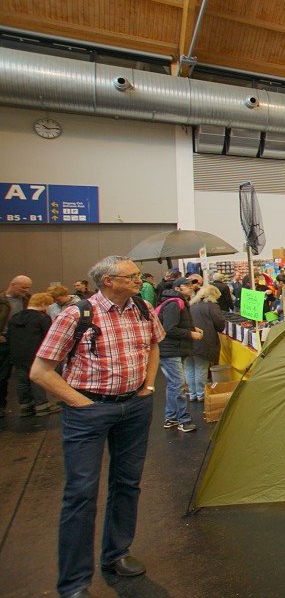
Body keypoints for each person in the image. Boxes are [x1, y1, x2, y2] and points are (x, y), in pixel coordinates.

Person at [30, 255, 163, 598]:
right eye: (131, 276)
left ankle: (116, 553)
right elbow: (41, 371)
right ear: (108, 281)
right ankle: (74, 582)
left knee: (127, 484)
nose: (139, 280)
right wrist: (81, 404)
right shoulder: (76, 315)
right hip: (88, 411)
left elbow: (152, 347)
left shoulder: (143, 309)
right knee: (80, 494)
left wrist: (147, 386)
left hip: (134, 407)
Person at [157, 277, 202, 432]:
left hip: (172, 349)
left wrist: (193, 328)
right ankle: (183, 420)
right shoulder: (175, 303)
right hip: (171, 350)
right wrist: (190, 334)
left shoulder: (178, 302)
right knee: (178, 385)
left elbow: (175, 324)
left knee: (173, 385)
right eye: (187, 285)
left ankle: (171, 418)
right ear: (177, 288)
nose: (191, 288)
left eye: (192, 285)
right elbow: (169, 329)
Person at [7, 292, 60, 416]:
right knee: (37, 378)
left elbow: (9, 336)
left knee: (22, 380)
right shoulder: (42, 318)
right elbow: (49, 336)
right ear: (42, 304)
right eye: (48, 305)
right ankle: (42, 406)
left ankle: (25, 406)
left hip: (17, 354)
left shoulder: (15, 317)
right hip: (35, 354)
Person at [0, 274, 33, 417]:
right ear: (13, 284)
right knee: (2, 375)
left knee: (24, 373)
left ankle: (27, 404)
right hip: (3, 341)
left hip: (21, 341)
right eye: (23, 287)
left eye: (27, 288)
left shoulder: (26, 298)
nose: (25, 290)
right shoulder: (2, 300)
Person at [188, 284, 225, 402]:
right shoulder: (211, 306)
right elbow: (219, 324)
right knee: (201, 368)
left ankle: (192, 393)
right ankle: (201, 394)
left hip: (188, 340)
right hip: (204, 340)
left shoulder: (191, 305)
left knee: (189, 368)